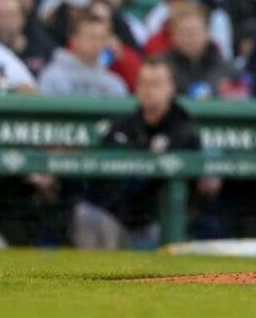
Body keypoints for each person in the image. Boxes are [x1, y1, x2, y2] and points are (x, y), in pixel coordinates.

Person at [73, 57, 201, 249]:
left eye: (156, 84)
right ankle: (93, 277)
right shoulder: (123, 125)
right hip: (118, 218)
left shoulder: (183, 129)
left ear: (171, 88)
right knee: (84, 214)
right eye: (143, 83)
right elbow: (98, 174)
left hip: (158, 224)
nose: (148, 90)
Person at [37, 13, 128, 97]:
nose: (97, 43)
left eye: (102, 38)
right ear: (74, 39)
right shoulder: (53, 77)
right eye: (91, 36)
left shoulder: (114, 84)